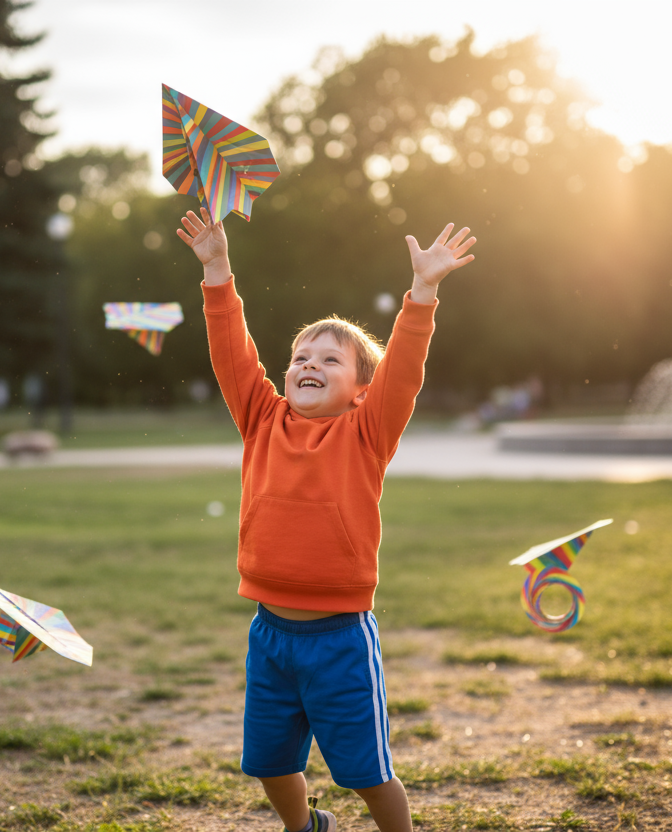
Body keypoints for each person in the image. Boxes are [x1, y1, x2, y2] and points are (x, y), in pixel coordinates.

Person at [176, 207, 476, 832]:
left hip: (339, 639)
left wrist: (422, 295)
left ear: (361, 390)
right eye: (301, 356)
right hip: (270, 634)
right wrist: (217, 270)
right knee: (267, 762)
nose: (309, 363)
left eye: (330, 360)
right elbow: (233, 351)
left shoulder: (367, 431)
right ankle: (306, 828)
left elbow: (402, 374)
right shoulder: (261, 417)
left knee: (367, 775)